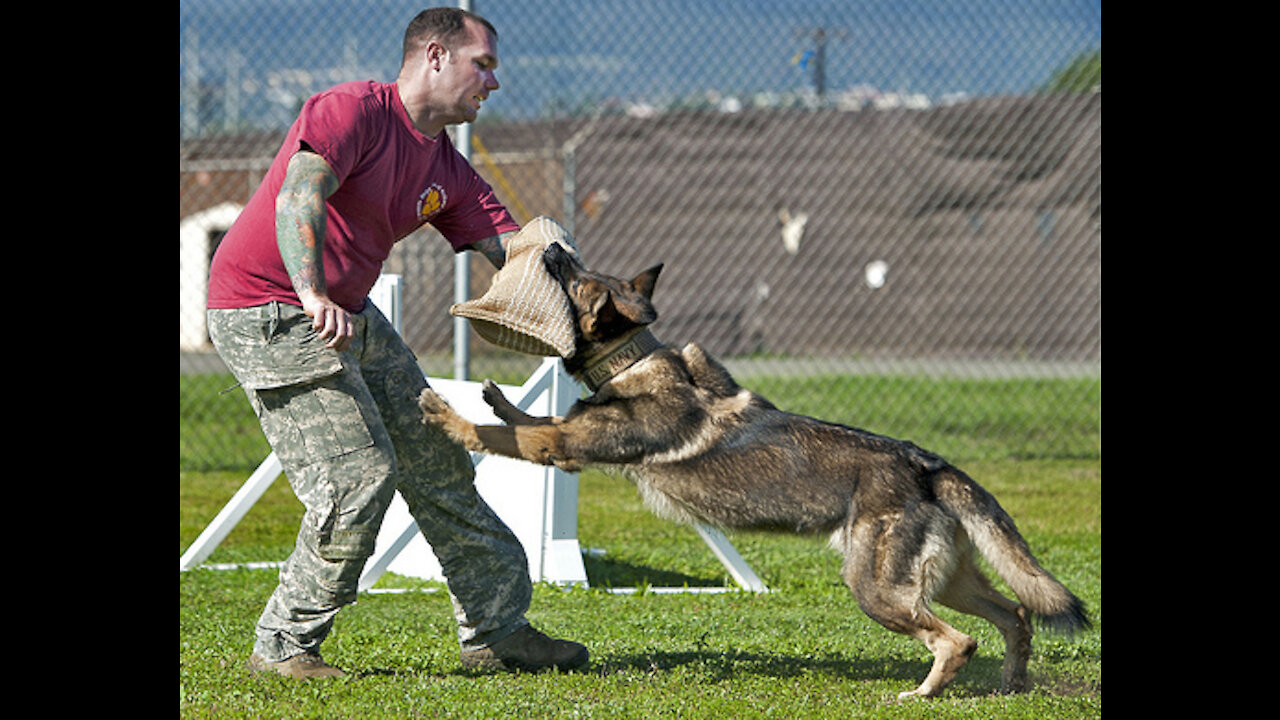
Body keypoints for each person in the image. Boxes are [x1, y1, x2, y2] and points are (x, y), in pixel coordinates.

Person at [205, 7, 588, 679]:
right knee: (358, 476)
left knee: (440, 455)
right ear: (436, 56)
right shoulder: (352, 110)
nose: (492, 83)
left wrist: (582, 290)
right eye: (484, 65)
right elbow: (300, 197)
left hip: (344, 308)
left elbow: (518, 254)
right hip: (267, 303)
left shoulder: (447, 168)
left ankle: (497, 632)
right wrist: (314, 293)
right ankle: (284, 645)